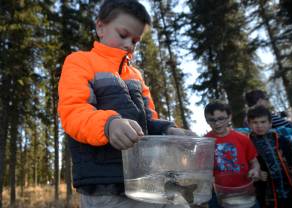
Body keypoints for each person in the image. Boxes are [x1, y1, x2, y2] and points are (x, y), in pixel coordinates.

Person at [58, 0, 195, 207]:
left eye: (135, 40)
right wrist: (108, 124)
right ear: (100, 27)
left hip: (144, 180)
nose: (129, 44)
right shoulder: (80, 61)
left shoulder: (135, 76)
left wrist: (169, 132)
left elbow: (149, 122)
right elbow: (74, 111)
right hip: (104, 186)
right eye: (123, 35)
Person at [204, 101, 260, 208]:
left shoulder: (243, 139)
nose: (217, 123)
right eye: (212, 120)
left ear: (229, 117)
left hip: (244, 191)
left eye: (221, 118)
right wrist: (207, 178)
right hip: (218, 195)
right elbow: (202, 170)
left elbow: (254, 163)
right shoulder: (204, 143)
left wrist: (255, 170)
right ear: (207, 120)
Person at [247, 105, 292, 208]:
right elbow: (244, 164)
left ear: (270, 123)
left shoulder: (282, 139)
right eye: (255, 122)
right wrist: (256, 172)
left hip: (291, 188)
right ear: (249, 124)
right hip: (267, 193)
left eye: (263, 122)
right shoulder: (247, 143)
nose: (259, 126)